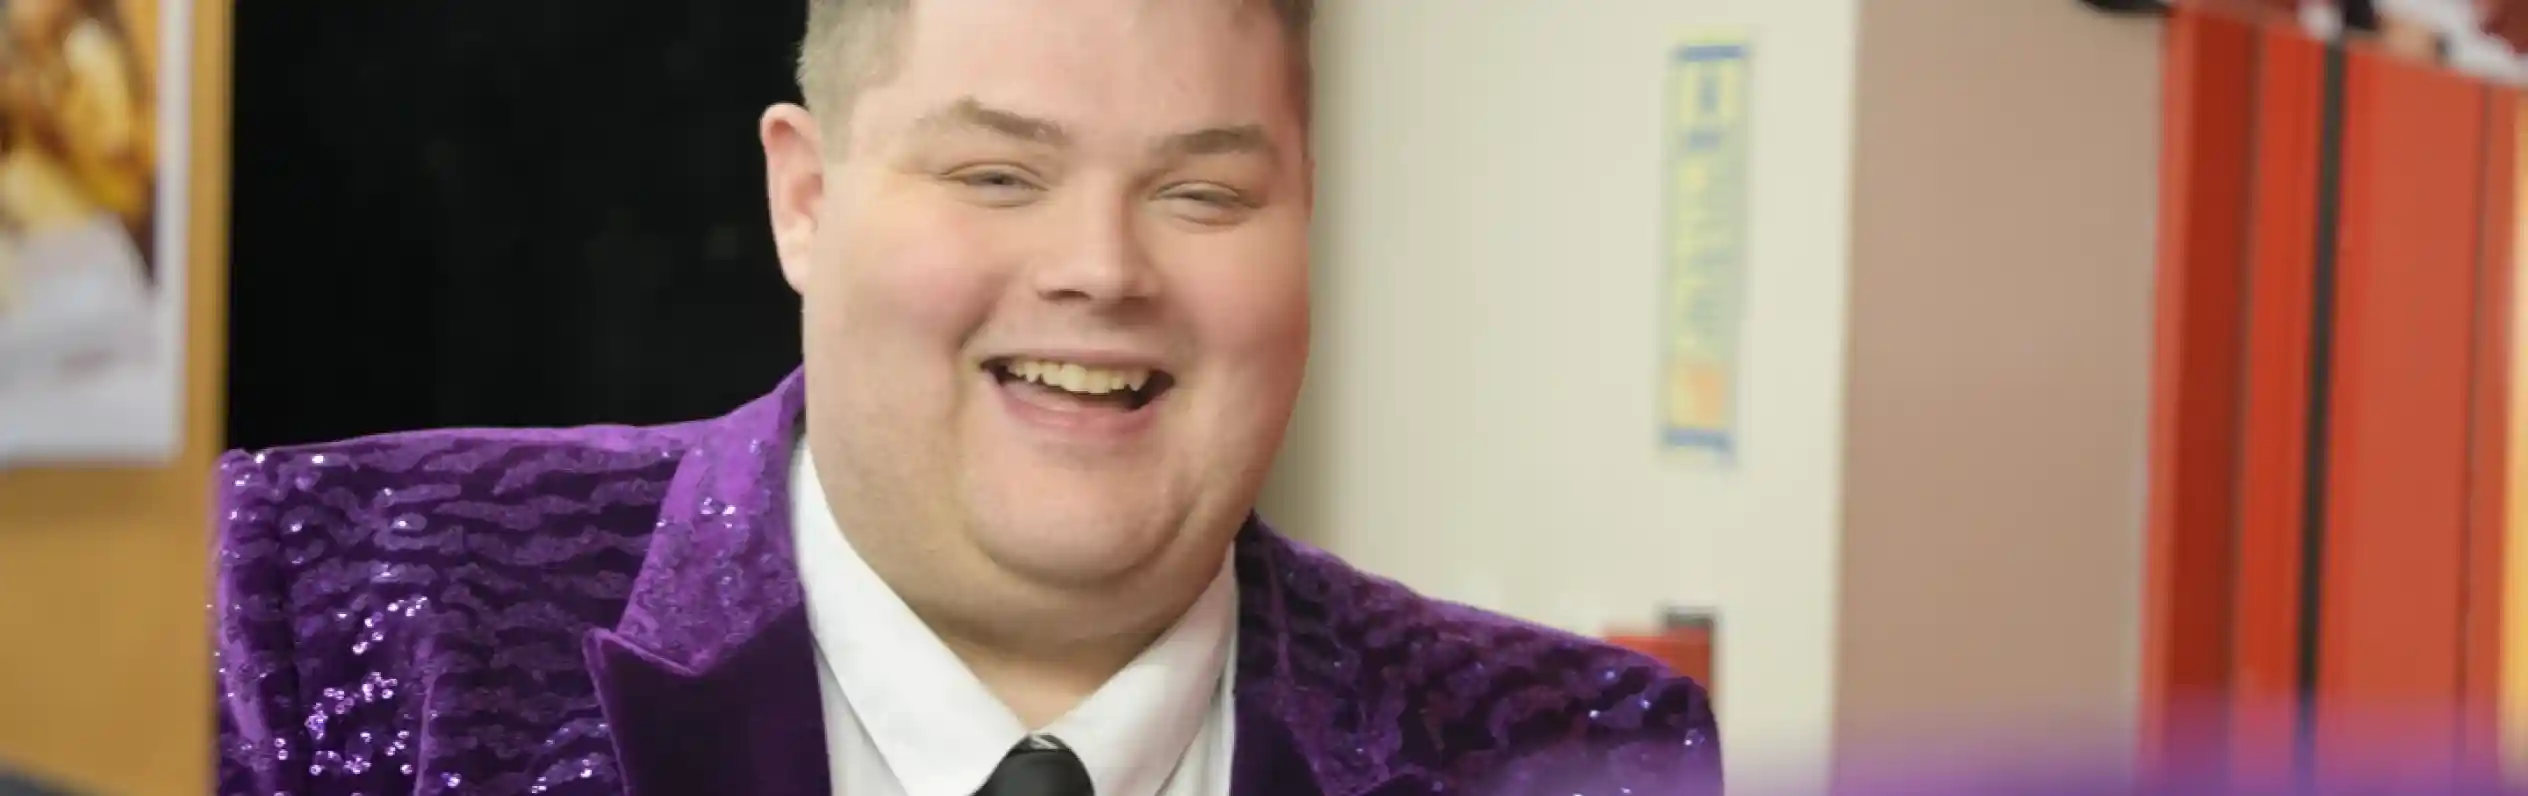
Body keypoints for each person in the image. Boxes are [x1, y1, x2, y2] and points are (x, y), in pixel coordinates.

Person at [210, 1, 1721, 794]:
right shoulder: (334, 596)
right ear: (805, 201)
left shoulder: (1570, 749)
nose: (1099, 267)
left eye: (1202, 193)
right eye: (999, 173)